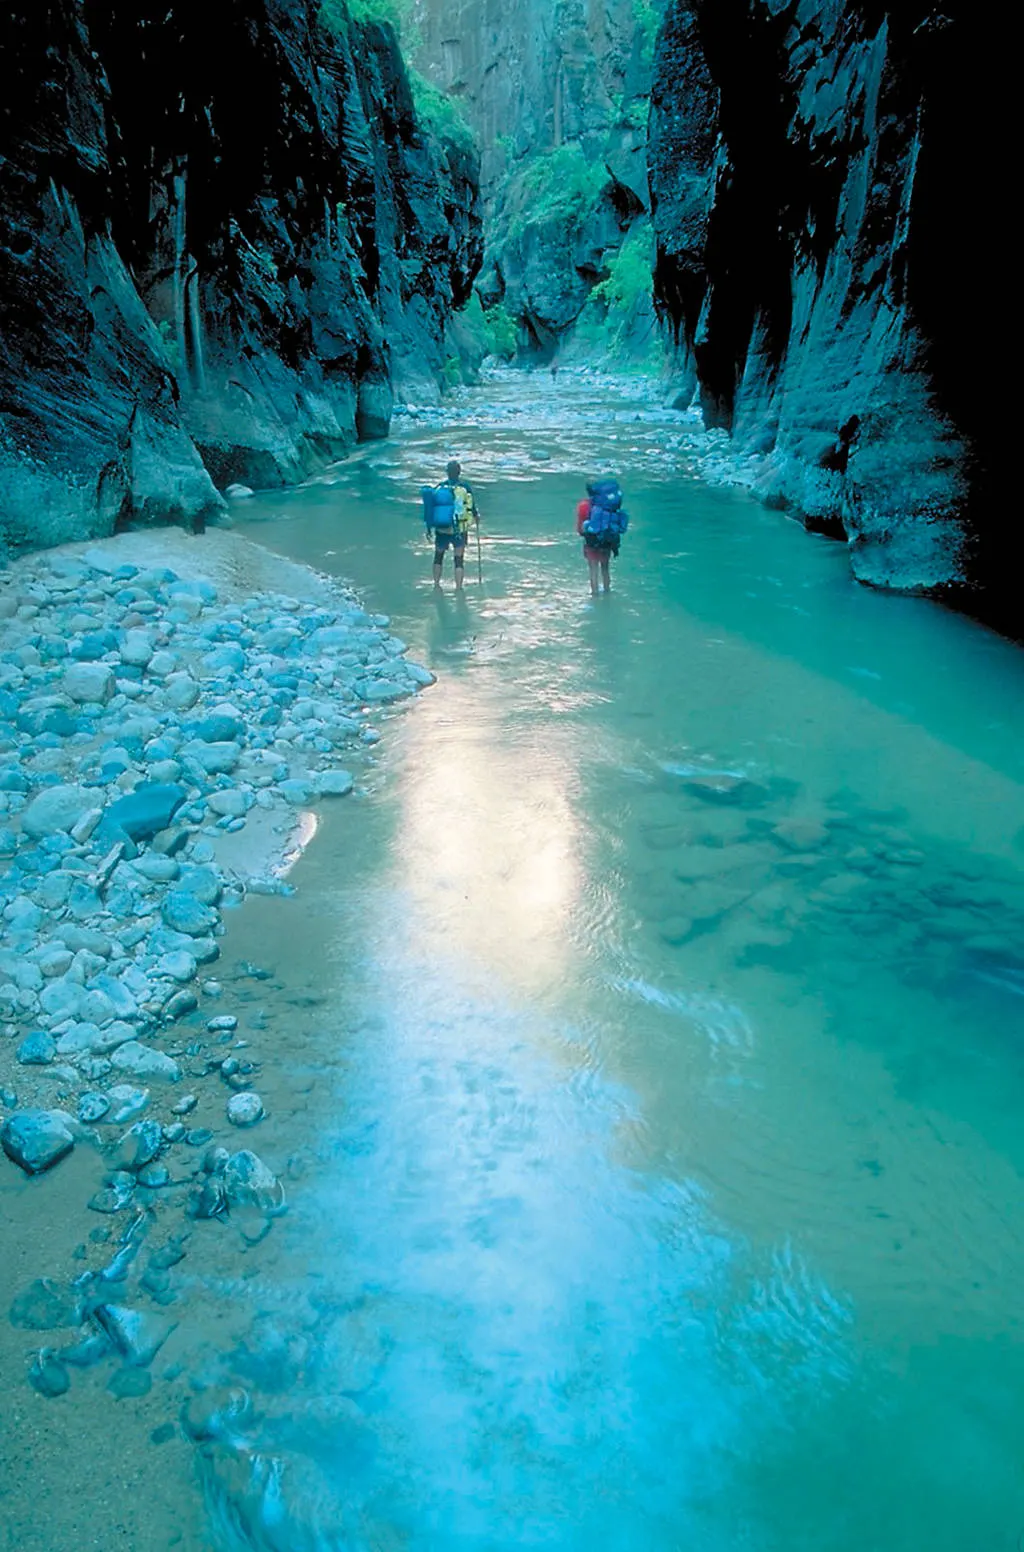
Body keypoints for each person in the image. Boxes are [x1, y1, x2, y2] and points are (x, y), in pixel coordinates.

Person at [423, 459, 481, 590]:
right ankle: (459, 588)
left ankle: (436, 585)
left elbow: (431, 509)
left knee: (438, 557)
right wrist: (476, 516)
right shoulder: (465, 487)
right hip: (459, 529)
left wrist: (429, 529)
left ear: (447, 473)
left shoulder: (440, 487)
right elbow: (471, 507)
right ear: (459, 472)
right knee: (458, 559)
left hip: (442, 528)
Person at [577, 477, 628, 596]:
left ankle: (595, 595)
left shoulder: (583, 506)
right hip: (606, 540)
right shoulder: (609, 505)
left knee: (593, 569)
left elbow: (580, 529)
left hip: (591, 542)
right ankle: (607, 592)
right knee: (605, 568)